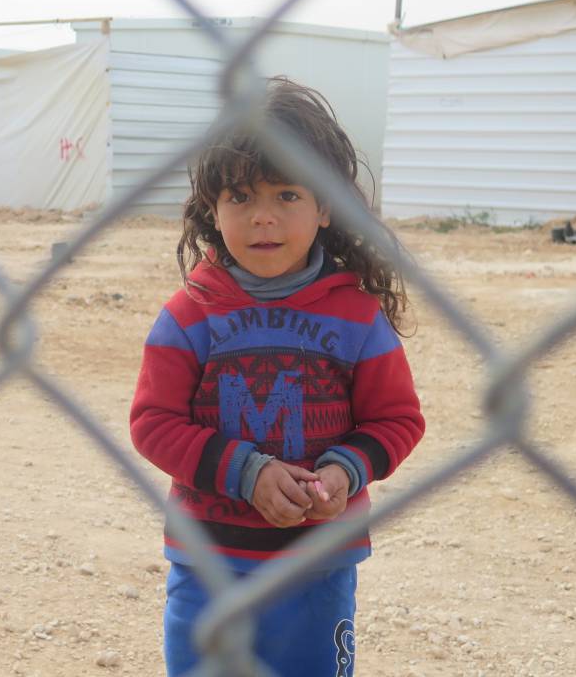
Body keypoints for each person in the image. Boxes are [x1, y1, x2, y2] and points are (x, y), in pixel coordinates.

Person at [129, 76, 424, 677]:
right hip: (208, 562)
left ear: (325, 207)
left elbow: (396, 420)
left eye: (287, 194)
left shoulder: (357, 318)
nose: (263, 218)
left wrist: (344, 471)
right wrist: (247, 472)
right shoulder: (188, 316)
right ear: (213, 211)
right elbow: (153, 423)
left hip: (317, 562)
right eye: (240, 197)